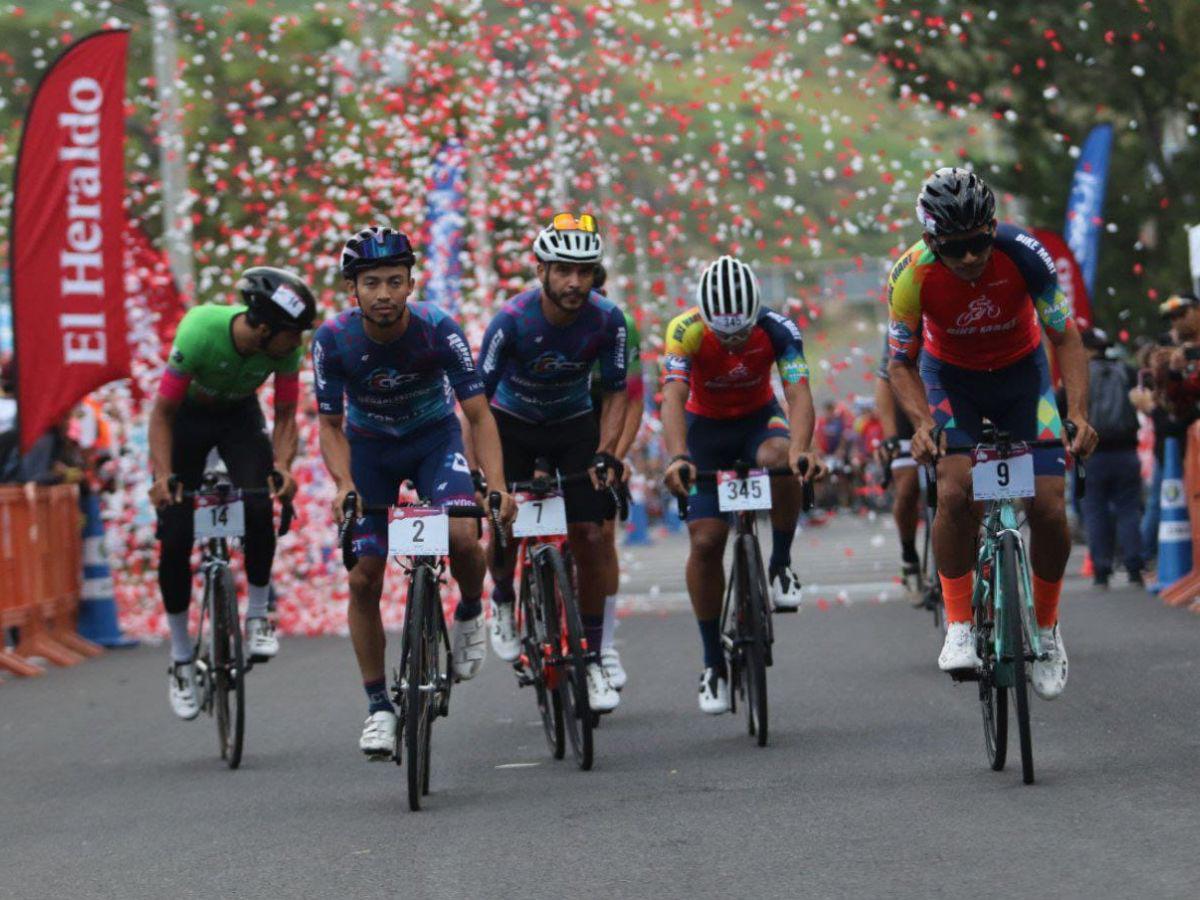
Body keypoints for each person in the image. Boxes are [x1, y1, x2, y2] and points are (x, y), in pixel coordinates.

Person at [886, 166, 1098, 700]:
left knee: (1050, 508)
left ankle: (1046, 630)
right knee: (954, 491)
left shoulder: (1024, 253)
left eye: (979, 242)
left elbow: (1066, 339)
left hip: (1022, 378)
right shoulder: (910, 275)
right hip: (950, 380)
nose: (969, 258)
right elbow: (900, 364)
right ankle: (959, 623)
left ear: (992, 227)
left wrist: (1080, 414)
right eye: (954, 249)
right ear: (932, 241)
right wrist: (922, 424)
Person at [313, 225, 515, 757]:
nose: (384, 294)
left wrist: (495, 486)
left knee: (464, 536)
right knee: (364, 577)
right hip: (370, 448)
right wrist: (345, 486)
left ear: (410, 284)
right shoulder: (333, 339)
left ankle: (471, 610)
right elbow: (329, 426)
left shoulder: (438, 329)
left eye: (395, 282)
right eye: (372, 282)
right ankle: (379, 706)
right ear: (352, 289)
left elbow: (477, 413)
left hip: (432, 440)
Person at [149, 267, 316, 720]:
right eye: (292, 334)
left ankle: (258, 613)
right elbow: (162, 413)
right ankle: (182, 658)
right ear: (263, 328)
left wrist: (281, 467)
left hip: (239, 419)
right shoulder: (201, 329)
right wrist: (163, 477)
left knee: (260, 501)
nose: (297, 343)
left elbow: (284, 416)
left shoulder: (285, 349)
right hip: (186, 421)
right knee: (177, 532)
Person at [478, 213, 629, 714]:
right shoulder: (512, 321)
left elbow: (615, 394)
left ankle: (588, 656)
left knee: (590, 534)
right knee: (504, 525)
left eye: (584, 272)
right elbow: (476, 403)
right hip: (512, 423)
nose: (574, 282)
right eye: (563, 270)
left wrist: (607, 453)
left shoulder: (609, 320)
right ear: (541, 270)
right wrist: (488, 477)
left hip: (572, 425)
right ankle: (501, 596)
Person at [661, 255, 824, 714]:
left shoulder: (779, 329)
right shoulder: (684, 330)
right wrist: (678, 457)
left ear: (755, 311)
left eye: (740, 332)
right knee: (708, 540)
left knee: (781, 459)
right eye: (723, 333)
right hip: (704, 430)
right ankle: (713, 662)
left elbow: (797, 391)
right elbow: (672, 397)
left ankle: (782, 562)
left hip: (758, 421)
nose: (732, 342)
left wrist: (801, 449)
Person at [588, 263, 644, 691]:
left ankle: (604, 645)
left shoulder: (619, 325)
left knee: (601, 537)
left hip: (604, 425)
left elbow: (633, 401)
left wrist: (615, 457)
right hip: (552, 423)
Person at [1080, 327, 1144, 586]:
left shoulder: (1081, 376)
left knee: (1095, 510)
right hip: (1127, 451)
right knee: (1129, 508)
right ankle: (1134, 565)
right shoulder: (1127, 372)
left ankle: (1102, 567)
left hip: (1094, 453)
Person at [874, 332, 923, 599]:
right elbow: (884, 379)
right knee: (907, 487)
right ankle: (909, 555)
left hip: (945, 397)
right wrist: (891, 436)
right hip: (906, 403)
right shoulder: (903, 319)